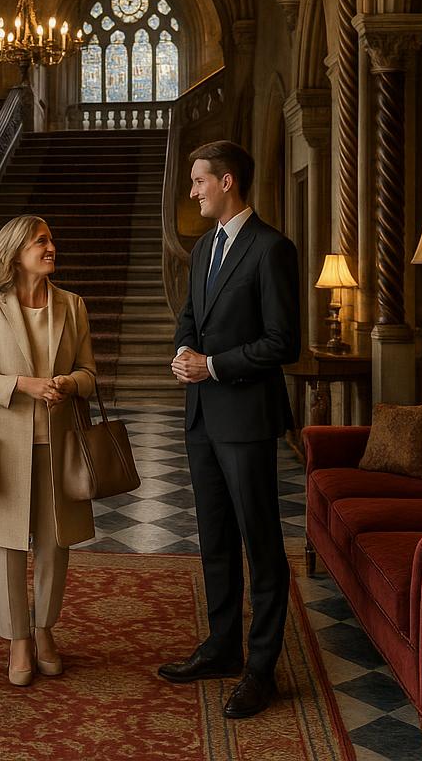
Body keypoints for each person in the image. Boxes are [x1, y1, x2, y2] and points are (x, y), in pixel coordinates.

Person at [160, 140, 301, 719]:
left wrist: (212, 366)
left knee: (261, 544)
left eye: (198, 181)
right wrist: (182, 352)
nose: (192, 192)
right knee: (215, 540)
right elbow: (188, 320)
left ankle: (261, 668)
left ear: (227, 183)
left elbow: (282, 343)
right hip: (201, 419)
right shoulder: (200, 251)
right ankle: (221, 648)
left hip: (245, 419)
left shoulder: (272, 250)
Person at [0, 215, 96, 687]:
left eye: (51, 239)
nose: (51, 247)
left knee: (54, 544)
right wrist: (25, 384)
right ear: (16, 252)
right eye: (41, 241)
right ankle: (17, 637)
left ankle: (44, 631)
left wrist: (67, 383)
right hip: (6, 443)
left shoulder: (73, 305)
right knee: (8, 546)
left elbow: (89, 374)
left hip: (61, 444)